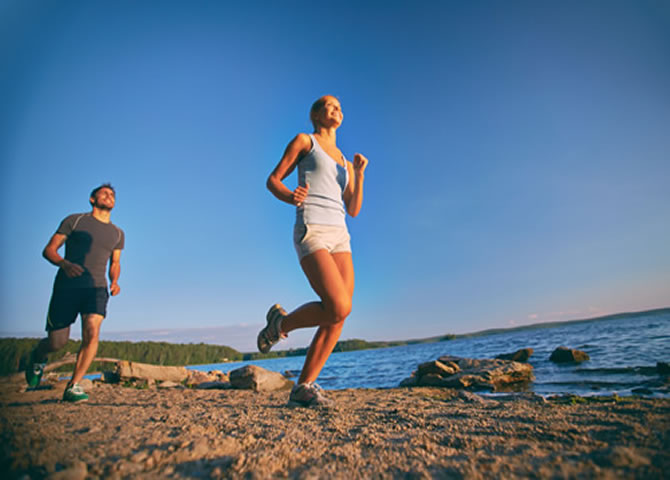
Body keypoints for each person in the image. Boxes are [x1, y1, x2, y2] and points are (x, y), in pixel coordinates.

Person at [260, 95, 368, 407]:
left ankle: (303, 386)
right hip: (312, 229)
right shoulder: (305, 141)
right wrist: (289, 195)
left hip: (340, 236)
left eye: (340, 107)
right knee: (337, 305)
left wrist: (359, 174)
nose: (337, 109)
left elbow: (354, 208)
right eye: (330, 106)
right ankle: (279, 325)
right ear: (316, 114)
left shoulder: (345, 162)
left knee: (339, 314)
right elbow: (273, 180)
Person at [25, 183, 125, 402]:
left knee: (92, 330)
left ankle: (74, 385)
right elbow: (49, 250)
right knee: (57, 342)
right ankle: (38, 356)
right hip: (67, 287)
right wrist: (65, 264)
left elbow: (115, 262)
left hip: (97, 288)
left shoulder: (118, 233)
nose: (109, 196)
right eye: (104, 193)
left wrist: (114, 280)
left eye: (113, 195)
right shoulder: (75, 220)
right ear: (92, 199)